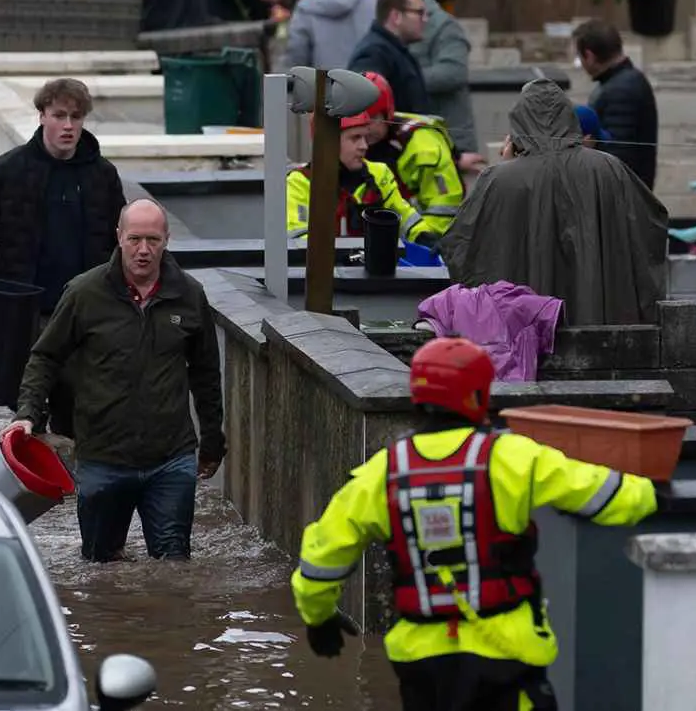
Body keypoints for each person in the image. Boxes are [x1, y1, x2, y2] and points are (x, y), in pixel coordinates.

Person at [291, 337, 662, 710]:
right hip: (504, 656)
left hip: (422, 665)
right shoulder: (514, 458)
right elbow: (613, 497)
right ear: (478, 395)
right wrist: (656, 491)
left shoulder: (381, 473)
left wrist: (318, 616)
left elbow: (322, 558)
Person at [2, 199, 225, 562]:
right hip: (102, 458)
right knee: (100, 566)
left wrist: (213, 444)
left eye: (153, 240)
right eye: (135, 239)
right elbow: (46, 357)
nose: (143, 250)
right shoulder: (84, 293)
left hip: (170, 458)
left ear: (167, 240)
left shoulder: (188, 294)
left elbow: (206, 375)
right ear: (119, 237)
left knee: (173, 566)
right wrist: (27, 414)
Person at [0, 78, 127, 439]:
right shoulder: (7, 170)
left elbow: (122, 237)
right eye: (60, 115)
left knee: (78, 411)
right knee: (27, 411)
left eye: (76, 117)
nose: (69, 125)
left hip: (83, 314)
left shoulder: (102, 176)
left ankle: (75, 489)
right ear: (42, 115)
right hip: (24, 311)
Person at [438, 79, 669, 326]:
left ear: (518, 124)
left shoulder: (498, 179)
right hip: (603, 328)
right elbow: (651, 226)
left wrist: (505, 168)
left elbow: (461, 246)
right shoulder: (609, 169)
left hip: (524, 335)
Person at [286, 109, 440, 246]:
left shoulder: (379, 173)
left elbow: (404, 217)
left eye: (365, 138)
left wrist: (425, 237)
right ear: (328, 142)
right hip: (328, 275)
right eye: (355, 138)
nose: (364, 146)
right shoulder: (300, 182)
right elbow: (300, 239)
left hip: (375, 271)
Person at [376, 0, 479, 162]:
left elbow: (453, 73)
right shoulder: (383, 31)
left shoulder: (444, 26)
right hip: (415, 142)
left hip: (451, 141)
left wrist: (402, 79)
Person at [361, 71, 464, 239]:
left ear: (387, 113)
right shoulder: (348, 140)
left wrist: (425, 244)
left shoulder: (423, 145)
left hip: (426, 241)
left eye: (372, 118)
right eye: (358, 118)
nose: (366, 128)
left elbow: (444, 206)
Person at [574, 19, 659, 189]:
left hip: (623, 199)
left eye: (579, 56)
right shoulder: (625, 82)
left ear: (589, 56)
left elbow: (618, 157)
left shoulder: (620, 90)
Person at [348, 0, 431, 115]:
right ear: (396, 16)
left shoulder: (397, 51)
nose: (426, 19)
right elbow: (367, 109)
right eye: (420, 13)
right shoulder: (374, 53)